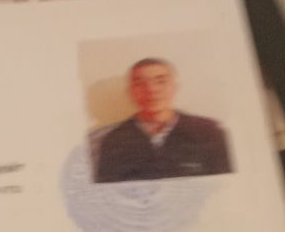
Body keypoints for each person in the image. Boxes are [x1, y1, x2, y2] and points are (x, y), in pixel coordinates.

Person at [95, 58, 232, 182]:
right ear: (130, 92)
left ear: (175, 87)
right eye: (140, 83)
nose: (151, 89)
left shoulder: (209, 132)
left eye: (161, 81)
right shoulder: (114, 141)